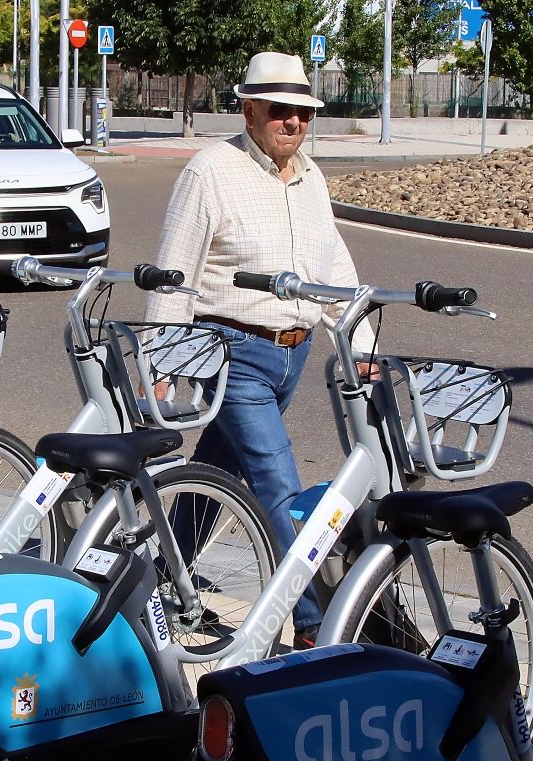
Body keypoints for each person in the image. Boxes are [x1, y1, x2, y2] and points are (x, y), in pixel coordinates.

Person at [146, 51, 373, 650]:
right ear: (249, 109)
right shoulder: (210, 171)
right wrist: (164, 360)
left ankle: (164, 575)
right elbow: (175, 272)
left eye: (303, 112)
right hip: (232, 352)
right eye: (280, 111)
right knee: (279, 485)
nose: (293, 122)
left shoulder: (311, 177)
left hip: (290, 355)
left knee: (217, 473)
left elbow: (332, 264)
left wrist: (360, 340)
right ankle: (311, 625)